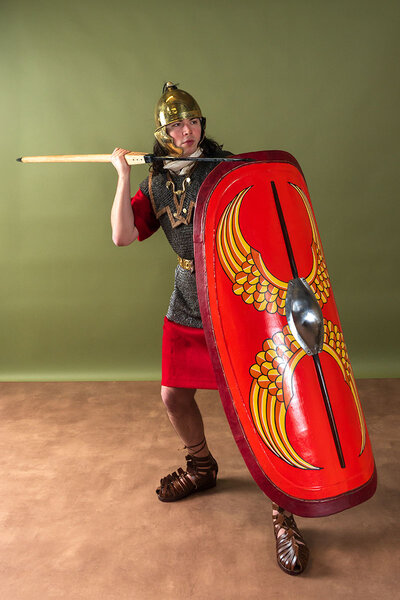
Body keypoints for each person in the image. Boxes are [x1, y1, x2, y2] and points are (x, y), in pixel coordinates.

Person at [110, 82, 309, 576]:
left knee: (258, 403)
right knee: (174, 395)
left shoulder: (225, 172)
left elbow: (270, 223)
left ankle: (283, 507)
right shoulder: (156, 181)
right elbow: (122, 236)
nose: (188, 131)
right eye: (178, 124)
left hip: (234, 294)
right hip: (186, 296)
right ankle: (202, 466)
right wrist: (122, 176)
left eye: (194, 122)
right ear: (163, 133)